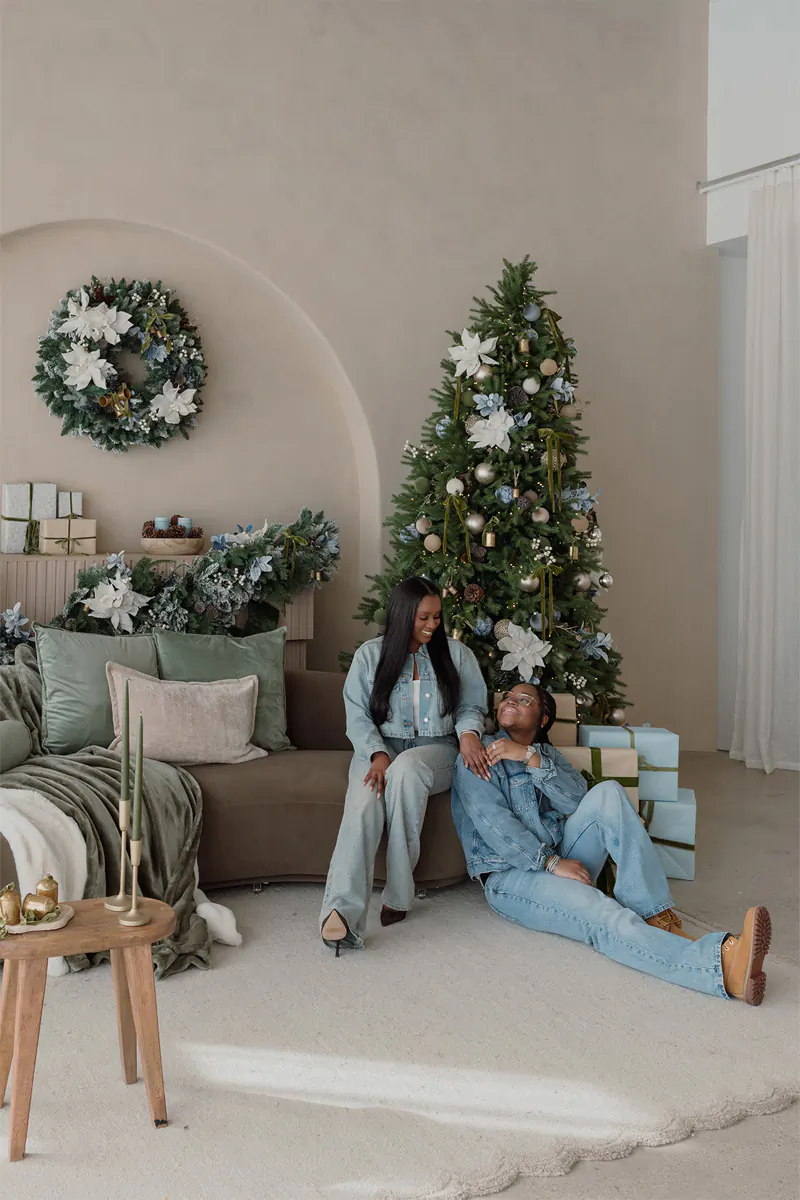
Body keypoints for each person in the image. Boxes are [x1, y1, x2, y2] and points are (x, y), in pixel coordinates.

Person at [451, 682, 772, 1005]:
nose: (510, 702)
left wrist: (531, 759)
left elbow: (580, 800)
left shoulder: (547, 755)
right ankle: (721, 968)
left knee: (609, 793)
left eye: (523, 700)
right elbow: (495, 827)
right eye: (507, 698)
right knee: (602, 913)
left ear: (543, 718)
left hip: (562, 854)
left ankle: (653, 915)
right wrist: (549, 863)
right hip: (511, 876)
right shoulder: (478, 755)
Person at [321, 577, 489, 954]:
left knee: (409, 767)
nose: (432, 625)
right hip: (380, 750)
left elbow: (471, 706)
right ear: (402, 616)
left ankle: (399, 892)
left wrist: (468, 733)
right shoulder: (370, 656)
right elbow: (357, 715)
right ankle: (340, 912)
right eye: (423, 618)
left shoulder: (458, 655)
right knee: (363, 804)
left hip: (438, 751)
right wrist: (377, 753)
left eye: (437, 617)